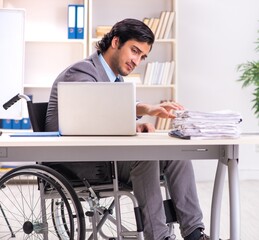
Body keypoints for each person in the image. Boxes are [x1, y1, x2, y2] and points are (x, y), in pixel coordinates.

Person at [45, 18, 211, 240]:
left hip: (104, 155)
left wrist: (134, 124)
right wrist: (147, 109)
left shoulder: (115, 79)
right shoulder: (82, 71)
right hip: (77, 161)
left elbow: (109, 111)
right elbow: (96, 109)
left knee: (176, 155)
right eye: (134, 51)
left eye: (142, 56)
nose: (137, 61)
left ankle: (194, 233)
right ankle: (159, 236)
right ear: (115, 41)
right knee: (145, 157)